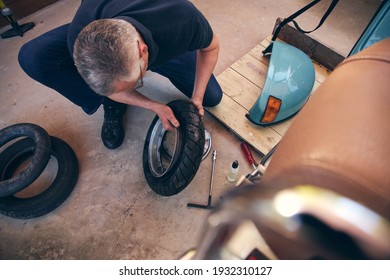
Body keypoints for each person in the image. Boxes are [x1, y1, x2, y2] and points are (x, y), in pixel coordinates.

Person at [18, 0, 223, 149]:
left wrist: (197, 96)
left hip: (158, 34)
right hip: (108, 23)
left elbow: (211, 48)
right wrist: (152, 105)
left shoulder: (180, 18)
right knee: (32, 57)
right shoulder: (80, 41)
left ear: (143, 52)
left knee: (211, 96)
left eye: (137, 81)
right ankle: (111, 102)